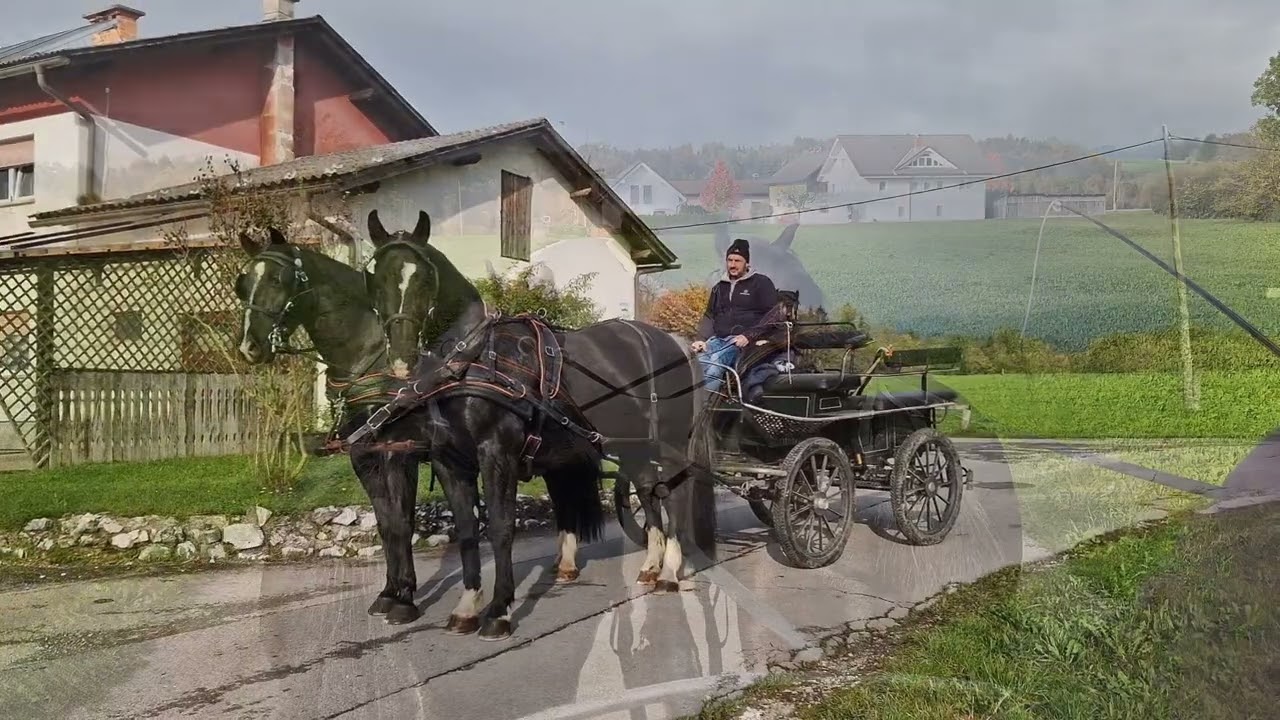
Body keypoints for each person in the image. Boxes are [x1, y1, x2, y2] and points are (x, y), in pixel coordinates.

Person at [692, 238, 779, 393]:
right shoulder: (719, 287)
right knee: (697, 365)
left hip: (742, 343)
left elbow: (773, 315)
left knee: (715, 367)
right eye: (730, 260)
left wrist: (749, 336)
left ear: (746, 263)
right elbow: (710, 315)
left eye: (737, 260)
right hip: (718, 340)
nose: (732, 264)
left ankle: (705, 411)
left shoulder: (761, 283)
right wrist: (701, 339)